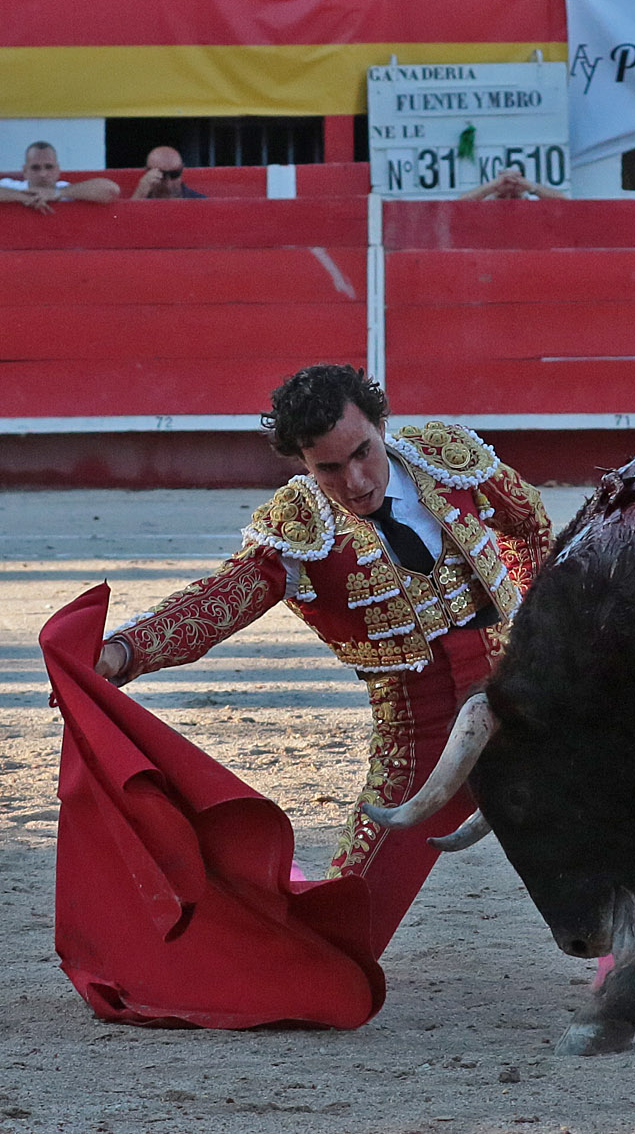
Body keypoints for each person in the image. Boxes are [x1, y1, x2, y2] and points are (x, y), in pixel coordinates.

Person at [94, 365, 553, 957]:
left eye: (364, 452)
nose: (356, 480)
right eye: (328, 468)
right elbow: (223, 599)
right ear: (302, 463)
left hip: (522, 702)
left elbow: (531, 526)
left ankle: (621, 986)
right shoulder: (301, 525)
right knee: (333, 944)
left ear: (382, 425)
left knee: (622, 852)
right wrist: (123, 651)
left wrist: (543, 638)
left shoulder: (447, 457)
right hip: (419, 743)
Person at [0, 141, 121, 212]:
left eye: (49, 167)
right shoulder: (10, 187)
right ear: (25, 171)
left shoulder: (70, 190)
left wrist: (58, 193)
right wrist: (22, 196)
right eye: (35, 168)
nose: (43, 174)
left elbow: (111, 190)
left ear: (58, 170)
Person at [130, 146, 205, 200]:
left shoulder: (200, 202)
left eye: (174, 174)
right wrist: (139, 195)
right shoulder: (140, 197)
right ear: (148, 173)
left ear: (182, 170)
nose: (168, 183)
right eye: (160, 175)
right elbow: (124, 220)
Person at [458, 166, 567, 201]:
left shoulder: (530, 204)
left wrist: (531, 186)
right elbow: (460, 202)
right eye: (505, 183)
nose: (510, 189)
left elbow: (563, 200)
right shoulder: (487, 206)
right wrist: (492, 186)